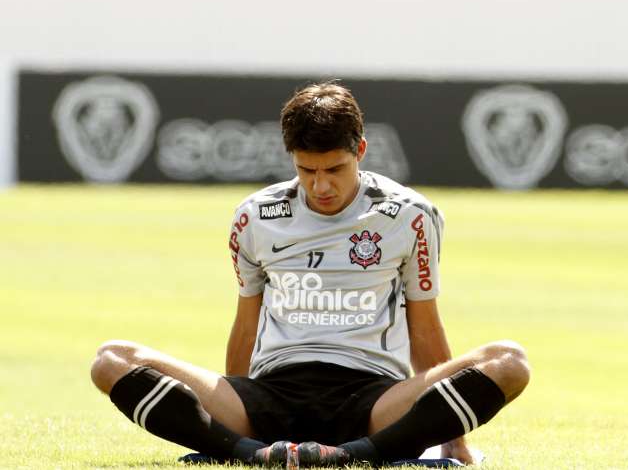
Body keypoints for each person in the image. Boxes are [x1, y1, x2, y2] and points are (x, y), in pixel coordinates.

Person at [90, 82, 530, 467]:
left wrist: (454, 441)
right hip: (270, 397)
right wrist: (236, 407)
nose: (321, 186)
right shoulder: (255, 216)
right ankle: (249, 453)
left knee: (509, 363)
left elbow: (425, 330)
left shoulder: (410, 216)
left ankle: (351, 457)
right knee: (111, 361)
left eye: (334, 169)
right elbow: (246, 323)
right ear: (292, 159)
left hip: (372, 401)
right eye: (307, 170)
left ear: (360, 150)